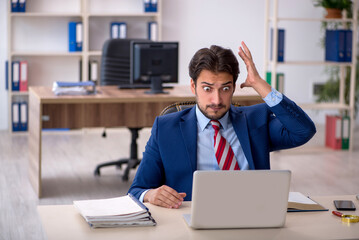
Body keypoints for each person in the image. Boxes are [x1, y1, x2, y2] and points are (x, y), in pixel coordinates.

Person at [128, 42, 316, 209]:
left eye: (225, 89)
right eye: (207, 88)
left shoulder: (255, 120)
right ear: (193, 87)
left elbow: (303, 130)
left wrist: (259, 84)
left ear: (234, 87)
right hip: (192, 222)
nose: (216, 100)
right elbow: (136, 190)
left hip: (252, 217)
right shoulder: (166, 128)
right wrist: (151, 194)